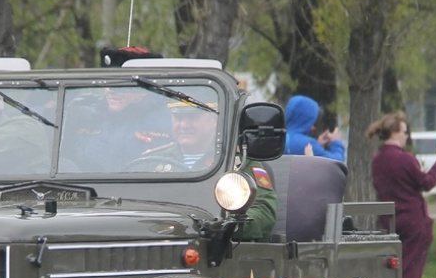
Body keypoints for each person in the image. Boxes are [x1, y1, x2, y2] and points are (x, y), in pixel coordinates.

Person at [138, 100, 277, 241]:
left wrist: (228, 227)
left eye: (193, 118)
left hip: (219, 249)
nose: (184, 125)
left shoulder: (239, 162)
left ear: (214, 121)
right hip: (158, 241)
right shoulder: (153, 161)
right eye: (178, 118)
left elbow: (263, 210)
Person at [367, 112, 436, 278]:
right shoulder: (405, 159)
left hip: (390, 220)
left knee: (393, 270)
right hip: (412, 221)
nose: (406, 136)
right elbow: (426, 182)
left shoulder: (377, 160)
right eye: (404, 132)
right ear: (394, 133)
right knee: (409, 272)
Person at [285, 95, 345, 161]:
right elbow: (337, 163)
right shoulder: (308, 144)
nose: (313, 127)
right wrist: (336, 142)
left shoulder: (279, 139)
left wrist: (317, 144)